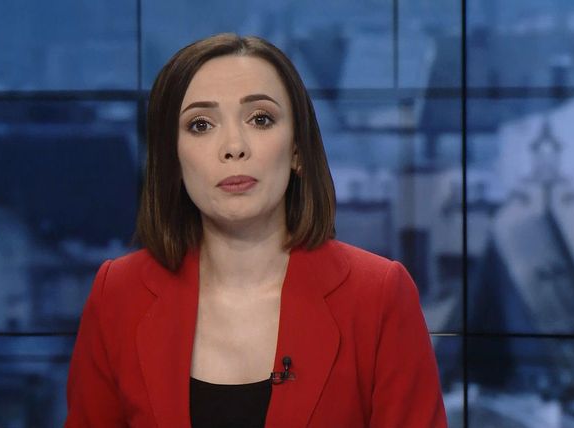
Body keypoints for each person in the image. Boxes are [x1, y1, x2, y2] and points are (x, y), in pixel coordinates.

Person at [65, 33, 446, 428]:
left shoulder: (378, 297)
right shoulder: (118, 295)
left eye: (260, 119)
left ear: (297, 150)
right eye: (200, 124)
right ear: (172, 160)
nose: (234, 146)